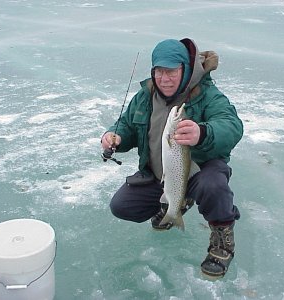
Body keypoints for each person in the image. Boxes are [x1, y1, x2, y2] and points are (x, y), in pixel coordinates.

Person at [101, 38, 243, 279]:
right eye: (159, 72)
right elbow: (125, 126)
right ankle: (176, 203)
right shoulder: (145, 96)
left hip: (200, 172)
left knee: (213, 185)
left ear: (184, 69)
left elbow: (232, 126)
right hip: (162, 173)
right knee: (121, 206)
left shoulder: (207, 95)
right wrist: (114, 136)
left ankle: (222, 242)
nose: (165, 79)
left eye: (172, 72)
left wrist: (203, 132)